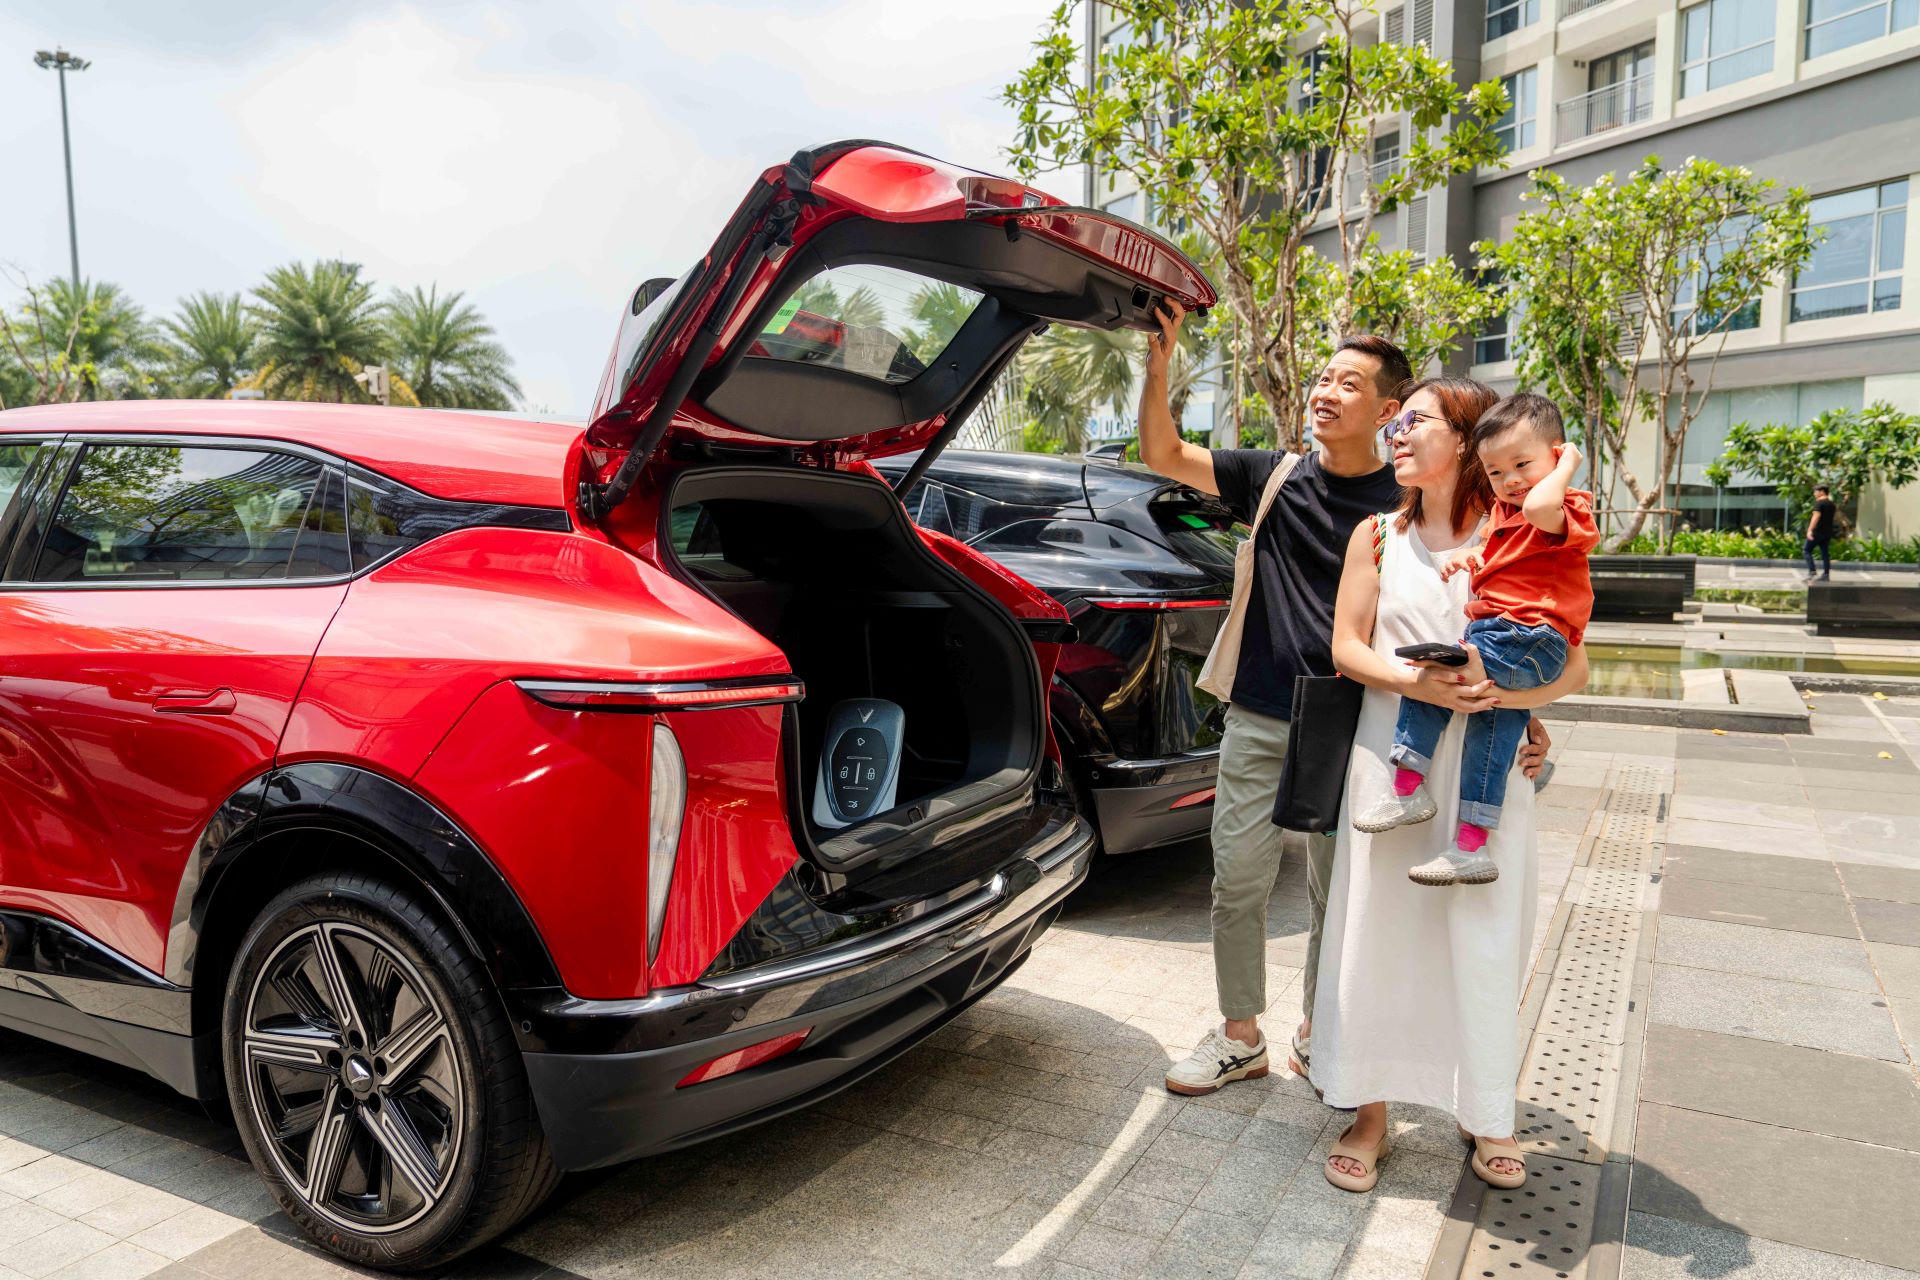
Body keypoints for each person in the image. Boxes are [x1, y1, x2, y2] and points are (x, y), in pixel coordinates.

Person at [1134, 303, 1548, 1096]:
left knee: (1339, 893)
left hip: (1358, 720)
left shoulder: (1406, 504)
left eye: (1348, 384)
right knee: (1238, 875)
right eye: (1323, 378)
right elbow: (1163, 453)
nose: (1325, 392)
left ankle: (1321, 1033)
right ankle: (1239, 1035)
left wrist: (1523, 714)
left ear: (1390, 411)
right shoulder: (1273, 475)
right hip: (1260, 710)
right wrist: (1159, 366)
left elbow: (1475, 613)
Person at [1311, 379, 1589, 1197]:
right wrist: (1419, 683)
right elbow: (1346, 647)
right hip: (1390, 758)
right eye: (1395, 422)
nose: (1395, 433)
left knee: (1483, 937)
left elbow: (1574, 664)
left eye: (1415, 421)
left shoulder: (1523, 530)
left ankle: (1486, 1113)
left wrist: (1516, 702)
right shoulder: (1377, 534)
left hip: (1487, 774)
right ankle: (1368, 1112)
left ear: (1466, 440)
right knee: (1377, 934)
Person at [1355, 394, 1596, 889]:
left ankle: (1407, 788)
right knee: (1492, 737)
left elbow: (1541, 507)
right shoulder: (1501, 517)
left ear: (1556, 454)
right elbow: (1502, 559)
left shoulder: (1567, 504)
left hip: (1528, 636)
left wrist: (1568, 464)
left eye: (1522, 465)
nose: (1511, 481)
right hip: (1504, 637)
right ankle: (1470, 845)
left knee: (1441, 668)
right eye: (1496, 472)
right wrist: (1471, 560)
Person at [1805, 484, 1837, 581]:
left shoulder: (1819, 503)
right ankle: (1826, 574)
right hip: (1827, 532)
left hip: (1817, 532)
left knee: (1807, 550)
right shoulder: (1832, 504)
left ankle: (1812, 571)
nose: (1814, 494)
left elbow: (1816, 517)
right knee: (1825, 553)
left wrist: (1810, 530)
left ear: (1822, 492)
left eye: (1816, 491)